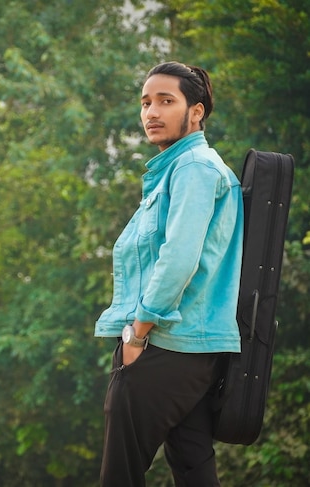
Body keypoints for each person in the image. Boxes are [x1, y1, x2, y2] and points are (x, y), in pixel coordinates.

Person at [95, 61, 244, 487]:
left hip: (168, 341)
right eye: (145, 103)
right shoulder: (178, 169)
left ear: (195, 111)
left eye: (166, 101)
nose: (151, 113)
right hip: (193, 347)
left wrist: (138, 333)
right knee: (194, 468)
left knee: (119, 474)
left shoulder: (193, 168)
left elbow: (179, 258)